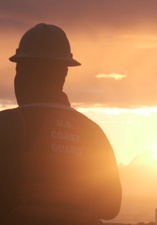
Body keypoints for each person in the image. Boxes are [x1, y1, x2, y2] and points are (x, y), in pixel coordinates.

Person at [0, 23, 122, 225]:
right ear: (64, 74)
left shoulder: (6, 126)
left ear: (21, 71)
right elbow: (109, 208)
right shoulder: (93, 132)